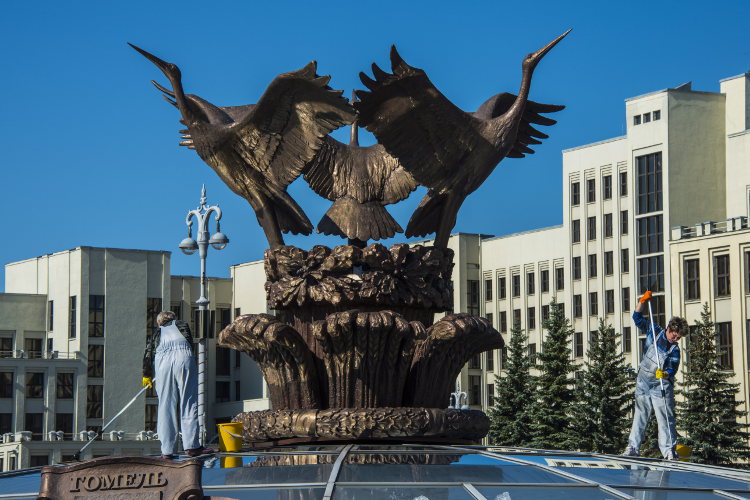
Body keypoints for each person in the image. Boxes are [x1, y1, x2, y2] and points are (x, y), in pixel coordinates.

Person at [623, 291, 689, 460]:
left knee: (665, 417)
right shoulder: (654, 330)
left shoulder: (674, 350)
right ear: (670, 328)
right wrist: (642, 301)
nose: (676, 339)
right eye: (676, 335)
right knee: (641, 413)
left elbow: (673, 369)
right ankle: (633, 447)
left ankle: (668, 450)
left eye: (679, 337)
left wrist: (665, 374)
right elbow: (637, 318)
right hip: (643, 381)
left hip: (661, 385)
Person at [143, 311, 212, 459]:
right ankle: (192, 446)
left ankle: (167, 450)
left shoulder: (156, 332)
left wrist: (146, 374)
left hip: (163, 363)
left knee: (165, 404)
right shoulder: (181, 324)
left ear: (160, 322)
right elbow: (189, 342)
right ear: (172, 319)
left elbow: (148, 352)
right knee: (188, 400)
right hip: (183, 357)